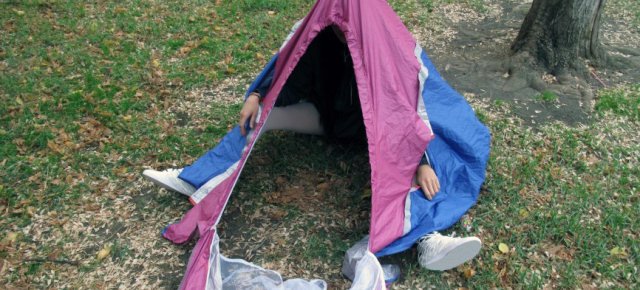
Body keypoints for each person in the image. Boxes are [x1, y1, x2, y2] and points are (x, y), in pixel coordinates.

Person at [143, 26, 480, 273]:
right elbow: (288, 72)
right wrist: (257, 95)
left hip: (373, 129)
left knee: (410, 163)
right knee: (258, 118)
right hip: (327, 119)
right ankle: (195, 177)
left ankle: (423, 239)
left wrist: (420, 161)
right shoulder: (319, 36)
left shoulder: (379, 39)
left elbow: (402, 107)